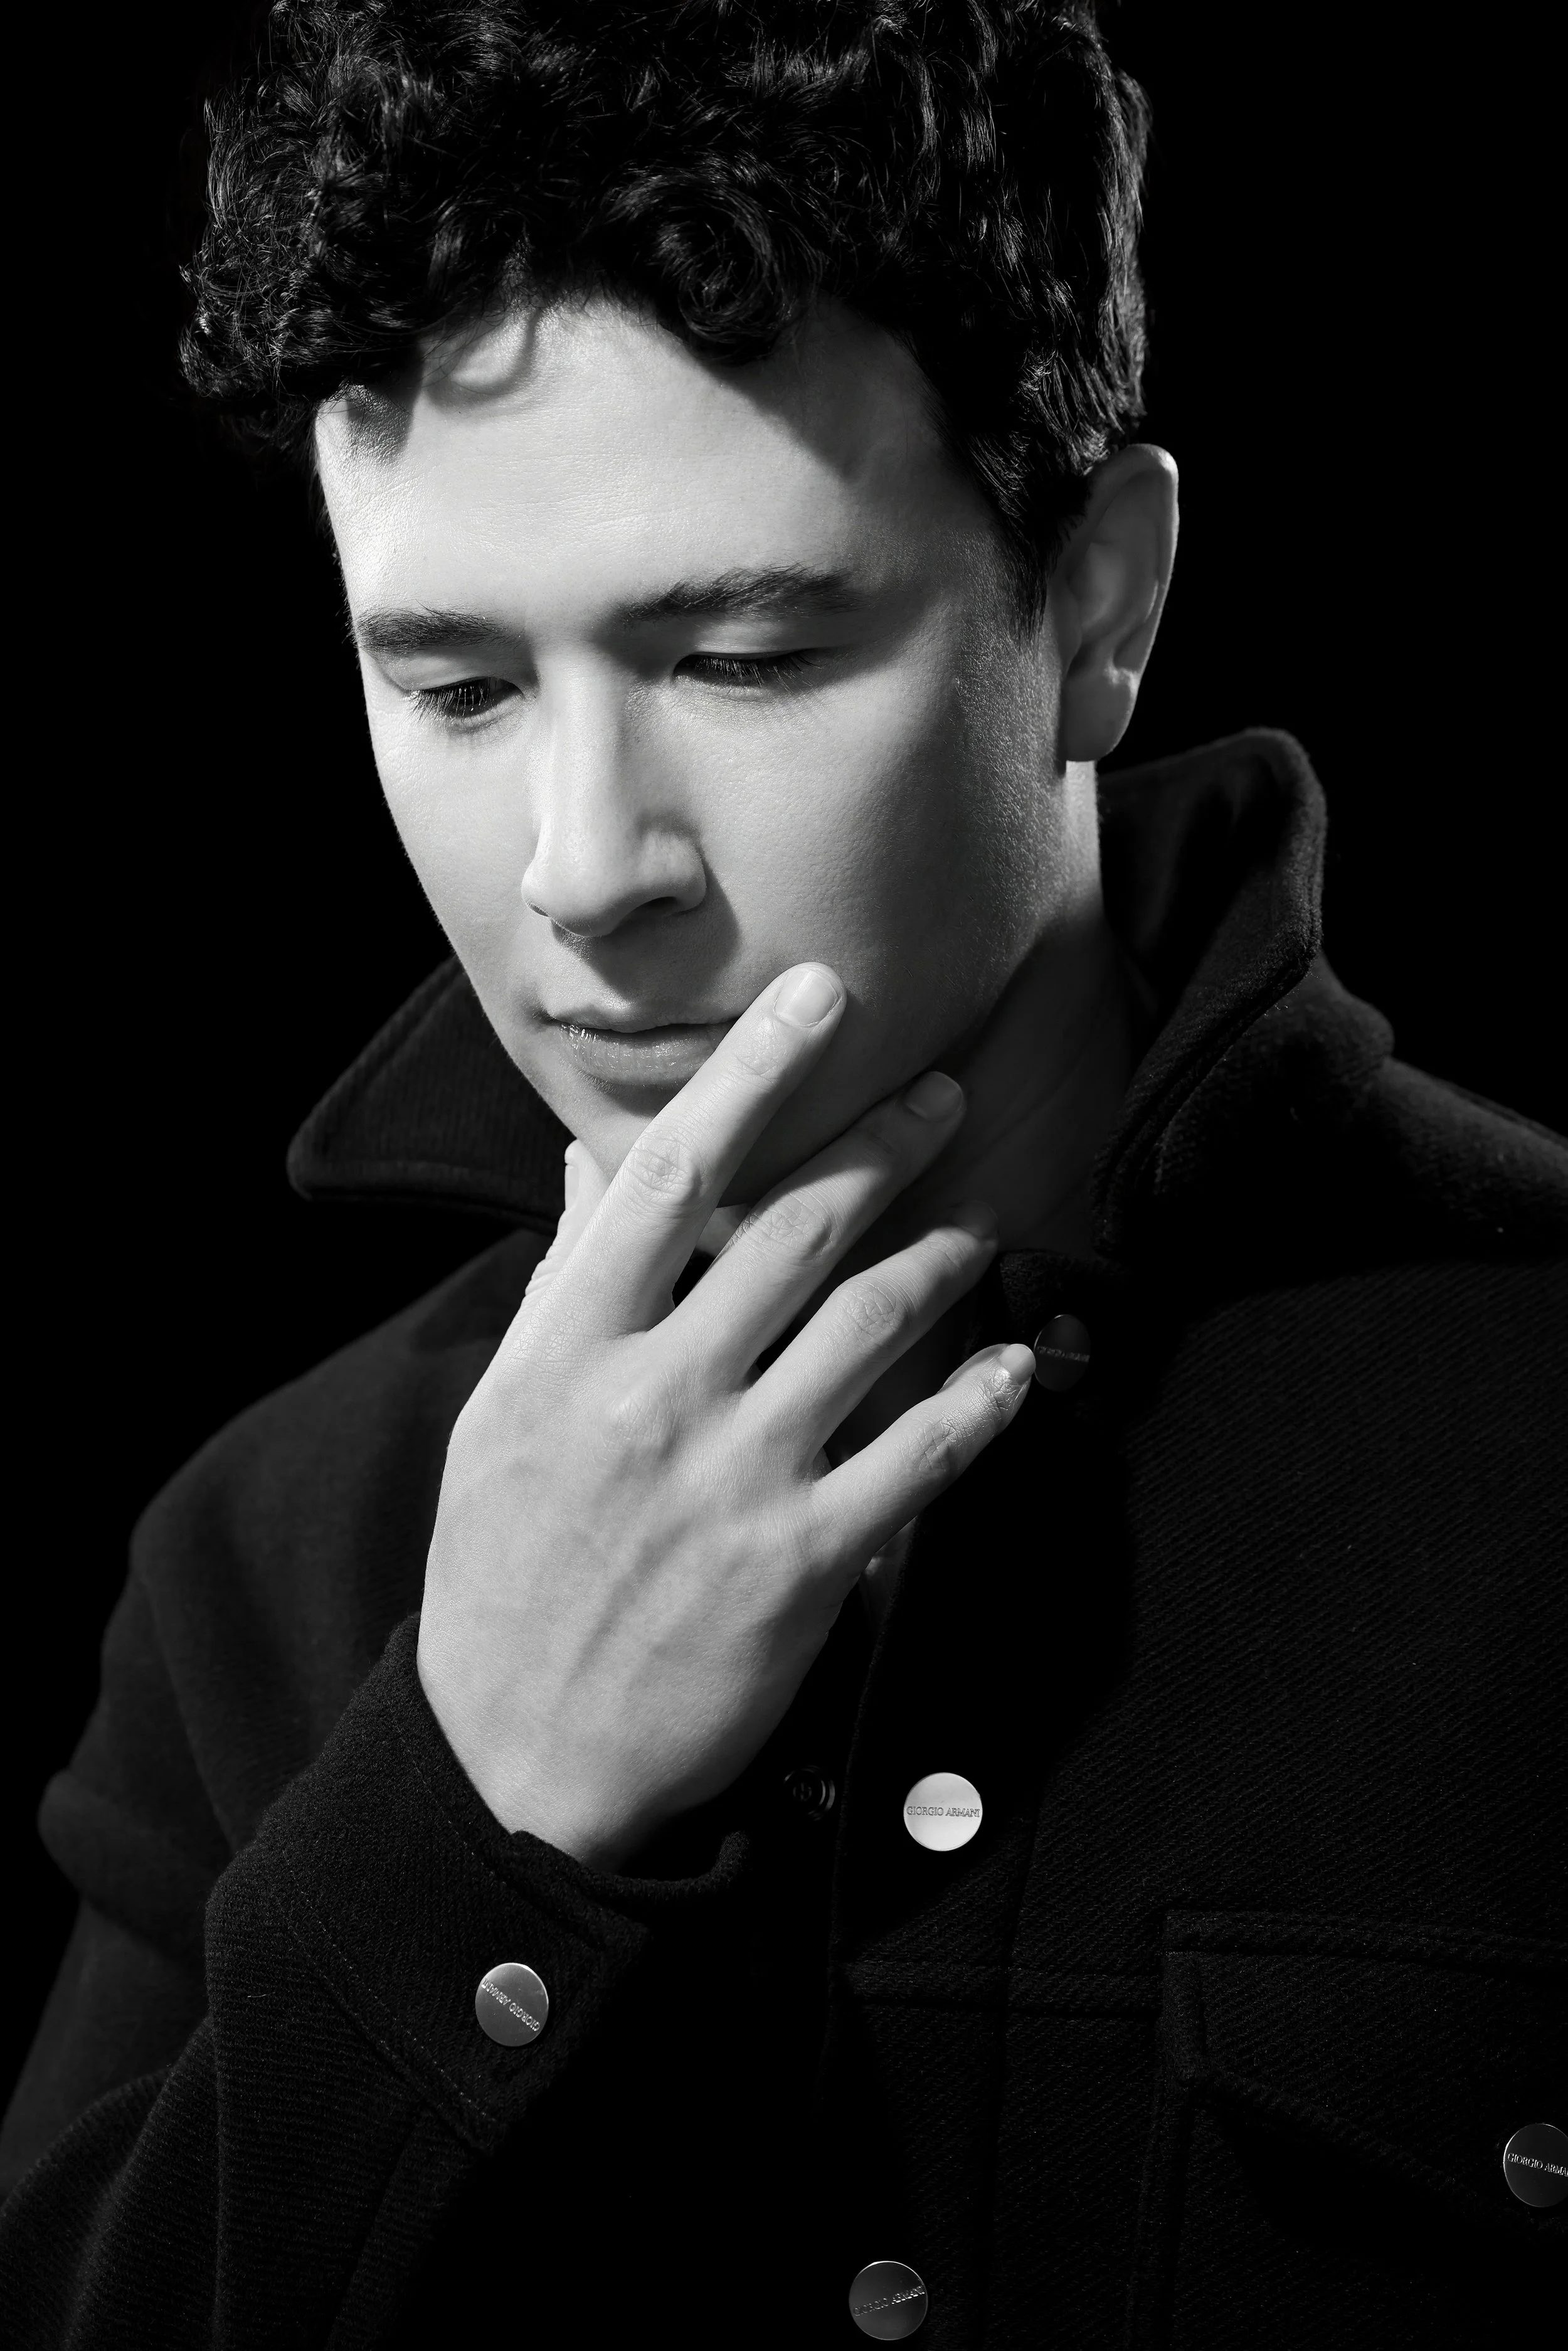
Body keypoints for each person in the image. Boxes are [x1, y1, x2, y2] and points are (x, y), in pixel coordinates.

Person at [3, 3, 1563, 2343]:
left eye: (736, 654)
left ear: (1102, 608)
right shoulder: (263, 1558)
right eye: (450, 688)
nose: (578, 868)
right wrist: (468, 1804)